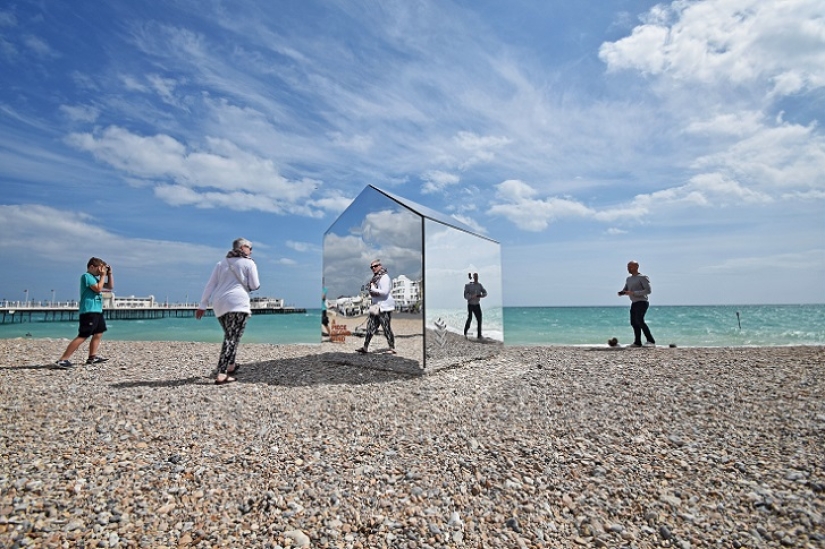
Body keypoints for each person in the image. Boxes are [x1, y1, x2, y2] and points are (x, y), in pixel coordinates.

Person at [196, 238, 260, 384]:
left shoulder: (221, 263)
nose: (251, 251)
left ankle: (231, 365)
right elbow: (255, 285)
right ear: (243, 248)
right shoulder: (249, 263)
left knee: (232, 335)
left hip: (219, 303)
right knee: (231, 337)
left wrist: (202, 305)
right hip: (238, 303)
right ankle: (222, 373)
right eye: (250, 248)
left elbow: (210, 284)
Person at [55, 257, 114, 369]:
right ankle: (63, 359)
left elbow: (110, 287)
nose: (101, 272)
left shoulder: (95, 278)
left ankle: (92, 357)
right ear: (92, 267)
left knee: (98, 333)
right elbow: (98, 289)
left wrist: (109, 274)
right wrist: (102, 276)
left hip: (97, 310)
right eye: (99, 269)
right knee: (83, 335)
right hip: (89, 310)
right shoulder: (86, 276)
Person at [356, 259, 396, 354]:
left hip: (384, 307)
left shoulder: (384, 277)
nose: (373, 268)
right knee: (370, 326)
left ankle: (392, 348)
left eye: (375, 266)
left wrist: (373, 289)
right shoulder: (376, 278)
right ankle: (365, 347)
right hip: (376, 306)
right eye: (371, 267)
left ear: (380, 266)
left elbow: (385, 292)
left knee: (386, 327)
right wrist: (371, 289)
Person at [618, 260, 656, 347]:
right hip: (634, 303)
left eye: (630, 267)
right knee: (633, 322)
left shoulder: (642, 277)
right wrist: (622, 292)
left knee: (640, 321)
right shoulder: (628, 279)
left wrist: (633, 293)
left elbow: (648, 291)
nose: (628, 268)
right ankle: (637, 342)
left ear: (636, 267)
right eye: (628, 267)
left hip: (642, 302)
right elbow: (626, 289)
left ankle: (651, 341)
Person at [463, 272, 487, 339]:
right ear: (473, 277)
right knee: (470, 318)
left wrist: (482, 295)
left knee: (479, 319)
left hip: (477, 304)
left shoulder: (479, 285)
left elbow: (485, 292)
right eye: (475, 277)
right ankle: (465, 332)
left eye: (477, 277)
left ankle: (479, 335)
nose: (476, 278)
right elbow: (465, 295)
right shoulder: (468, 285)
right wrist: (471, 296)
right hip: (470, 304)